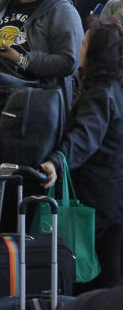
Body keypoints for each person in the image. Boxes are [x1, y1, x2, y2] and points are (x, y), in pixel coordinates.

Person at [39, 20, 123, 290]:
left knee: (94, 273)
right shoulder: (115, 88)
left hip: (97, 196)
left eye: (85, 43)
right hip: (113, 192)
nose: (79, 47)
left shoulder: (101, 93)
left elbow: (85, 136)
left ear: (97, 53)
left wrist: (57, 160)